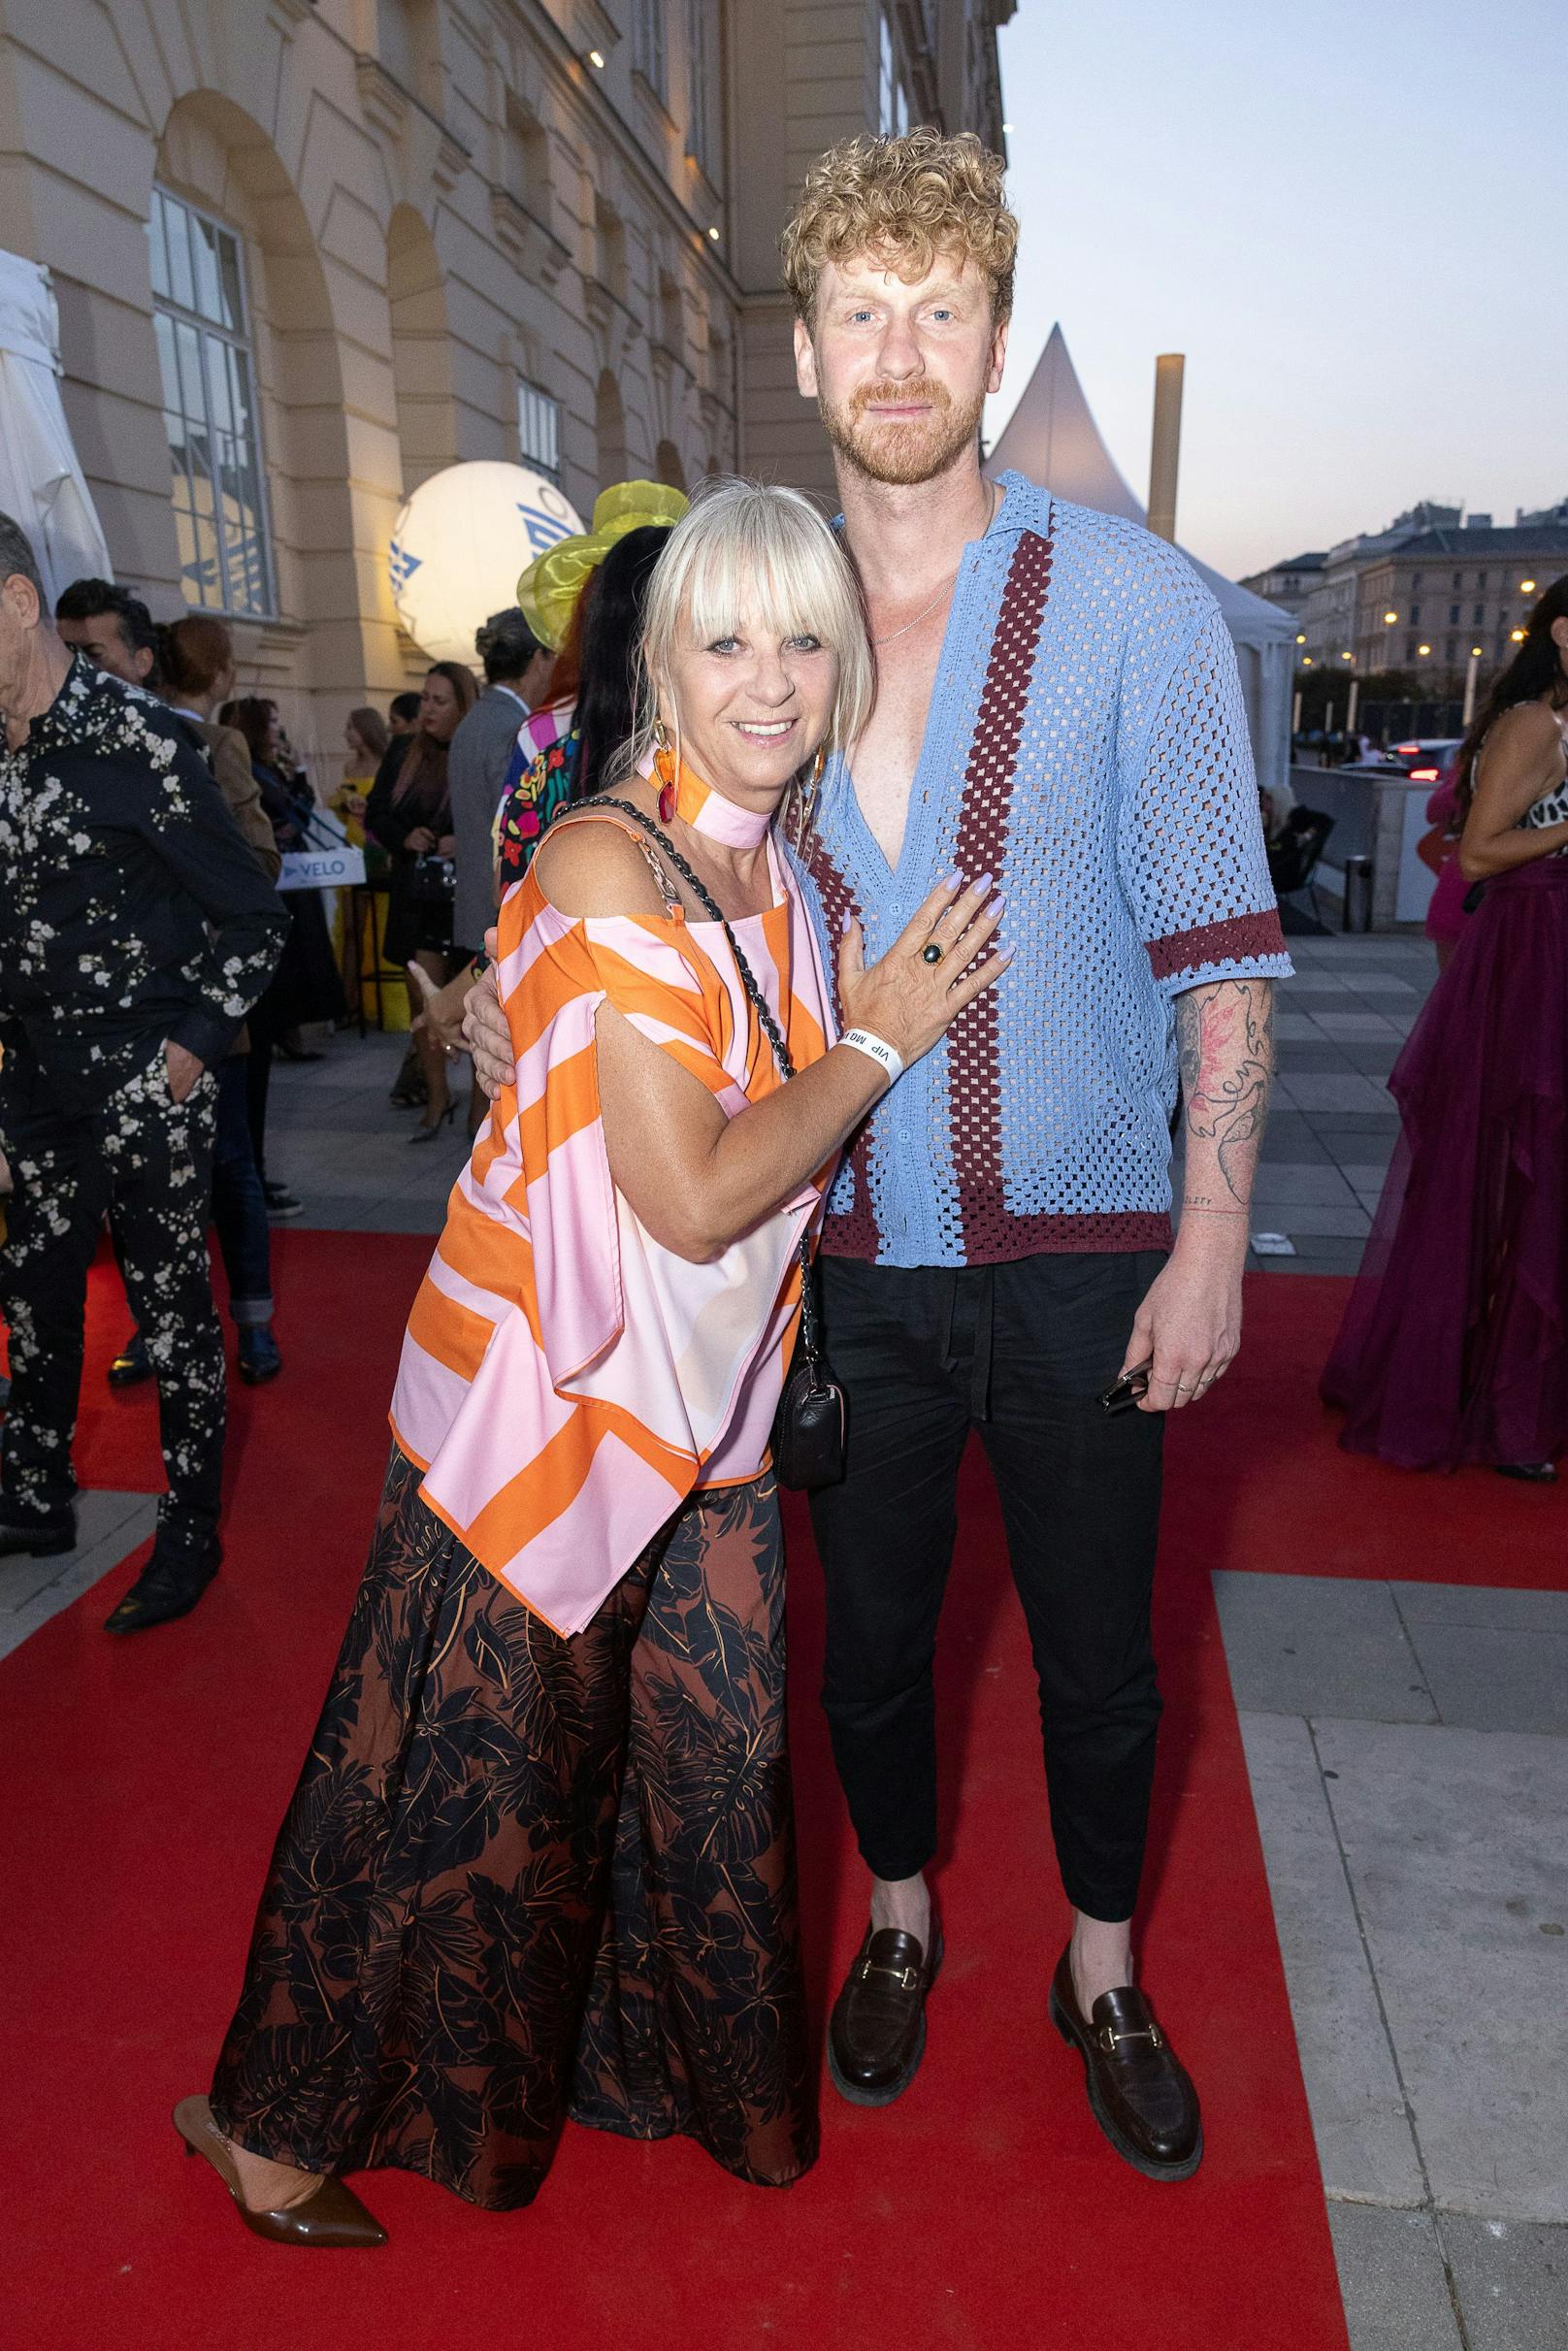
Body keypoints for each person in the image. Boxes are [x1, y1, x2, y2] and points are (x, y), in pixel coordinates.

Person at [468, 130, 1290, 2185]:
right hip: (832, 1266)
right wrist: (487, 1001)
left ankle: (1100, 1962)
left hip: (1097, 1250)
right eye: (862, 312)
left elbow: (1222, 951)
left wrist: (1211, 1236)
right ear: (809, 354)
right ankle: (904, 1920)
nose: (901, 348)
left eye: (942, 310)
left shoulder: (1138, 604)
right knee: (868, 1645)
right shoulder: (763, 614)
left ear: (993, 339)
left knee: (1107, 1653)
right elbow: (616, 867)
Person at [175, 479, 1004, 2242]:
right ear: (665, 659)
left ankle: (635, 2064)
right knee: (441, 1785)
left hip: (703, 1417)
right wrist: (878, 1035)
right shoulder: (614, 851)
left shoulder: (768, 859)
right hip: (542, 1405)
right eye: (727, 639)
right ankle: (263, 2121)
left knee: (685, 1764)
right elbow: (698, 1189)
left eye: (803, 637)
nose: (769, 678)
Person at [0, 513, 285, 1631]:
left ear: (20, 602)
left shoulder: (139, 743)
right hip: (32, 1077)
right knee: (36, 1293)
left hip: (139, 1078)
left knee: (171, 1312)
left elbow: (251, 919)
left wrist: (184, 1056)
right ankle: (33, 1491)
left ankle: (188, 1531)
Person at [1323, 576, 1568, 1478]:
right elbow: (1477, 853)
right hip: (1529, 951)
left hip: (1555, 947)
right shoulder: (1535, 724)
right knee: (1504, 1169)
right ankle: (1488, 1401)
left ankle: (1517, 1392)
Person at [107, 618, 285, 1389]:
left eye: (96, 650)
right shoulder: (94, 747)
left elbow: (260, 862)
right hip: (125, 1009)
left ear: (144, 662)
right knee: (137, 1180)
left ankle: (252, 1324)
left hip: (210, 1003)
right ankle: (157, 1323)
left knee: (231, 1169)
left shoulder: (216, 748)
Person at [226, 696, 344, 1212]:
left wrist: (295, 773)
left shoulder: (265, 766)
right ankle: (244, 1178)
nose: (277, 730)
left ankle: (248, 1173)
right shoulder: (232, 759)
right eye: (271, 723)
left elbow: (296, 806)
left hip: (287, 898)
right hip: (266, 908)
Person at [364, 661, 478, 1137]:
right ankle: (436, 1099)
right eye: (425, 698)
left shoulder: (479, 750)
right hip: (420, 898)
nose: (427, 709)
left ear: (462, 705)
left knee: (475, 1010)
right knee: (426, 1009)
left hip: (468, 901)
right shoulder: (404, 752)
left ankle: (481, 1110)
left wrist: (463, 840)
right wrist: (403, 836)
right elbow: (376, 815)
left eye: (439, 701)